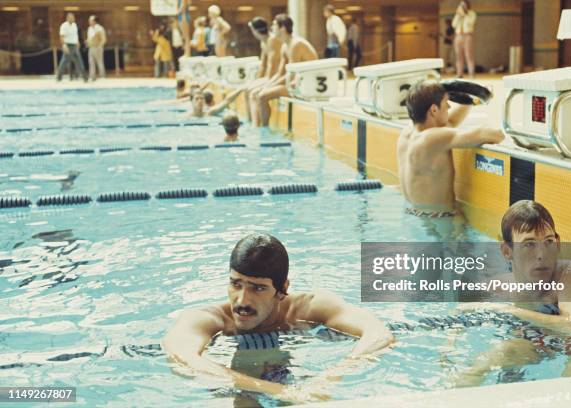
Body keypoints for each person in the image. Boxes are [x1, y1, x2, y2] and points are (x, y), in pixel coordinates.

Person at [162, 233, 394, 404]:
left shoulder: (310, 308)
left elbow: (379, 334)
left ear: (282, 289)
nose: (242, 300)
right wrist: (279, 392)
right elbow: (182, 359)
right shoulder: (207, 320)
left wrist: (329, 377)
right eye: (236, 284)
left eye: (258, 288)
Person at [454, 200, 571, 386]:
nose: (541, 254)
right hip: (536, 340)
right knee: (482, 364)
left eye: (548, 242)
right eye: (529, 244)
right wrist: (450, 347)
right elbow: (459, 315)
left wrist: (509, 311)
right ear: (506, 251)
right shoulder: (498, 287)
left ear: (558, 243)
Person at [397, 80, 504, 217]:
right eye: (446, 102)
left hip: (413, 213)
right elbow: (493, 135)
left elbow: (451, 122)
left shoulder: (406, 135)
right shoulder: (434, 138)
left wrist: (478, 97)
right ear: (434, 110)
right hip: (440, 221)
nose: (448, 107)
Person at [252, 14, 318, 127]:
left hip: (308, 85)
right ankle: (257, 126)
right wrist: (268, 85)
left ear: (282, 28)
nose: (272, 28)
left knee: (262, 96)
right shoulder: (285, 46)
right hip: (297, 82)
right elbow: (280, 73)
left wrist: (267, 88)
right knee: (258, 92)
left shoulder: (296, 44)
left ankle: (264, 130)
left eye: (274, 25)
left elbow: (291, 76)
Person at [245, 17, 283, 123]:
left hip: (276, 77)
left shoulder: (272, 40)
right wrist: (256, 81)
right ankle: (251, 121)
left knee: (254, 93)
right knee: (248, 89)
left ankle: (258, 125)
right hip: (271, 76)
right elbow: (263, 65)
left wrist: (266, 83)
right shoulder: (264, 42)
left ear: (256, 30)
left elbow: (272, 65)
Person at [56, 13, 88, 82]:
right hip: (67, 45)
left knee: (79, 61)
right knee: (64, 62)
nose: (72, 19)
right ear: (67, 18)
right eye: (70, 18)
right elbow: (61, 36)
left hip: (74, 45)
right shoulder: (64, 25)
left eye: (73, 17)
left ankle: (85, 77)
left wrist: (78, 42)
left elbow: (75, 35)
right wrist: (64, 45)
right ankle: (59, 77)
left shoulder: (74, 25)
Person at [452, 0, 477, 78]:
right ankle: (459, 74)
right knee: (458, 56)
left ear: (467, 5)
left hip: (467, 36)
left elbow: (470, 23)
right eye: (461, 5)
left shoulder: (472, 14)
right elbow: (454, 24)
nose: (462, 6)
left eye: (463, 5)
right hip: (458, 36)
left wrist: (465, 14)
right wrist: (459, 15)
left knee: (469, 55)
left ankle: (471, 74)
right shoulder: (458, 14)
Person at [86, 15, 106, 81]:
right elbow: (90, 38)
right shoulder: (89, 29)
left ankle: (102, 76)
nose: (89, 21)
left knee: (99, 62)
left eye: (90, 20)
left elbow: (103, 39)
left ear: (94, 21)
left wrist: (99, 46)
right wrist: (87, 42)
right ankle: (92, 77)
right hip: (91, 48)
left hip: (98, 48)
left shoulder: (100, 28)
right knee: (91, 62)